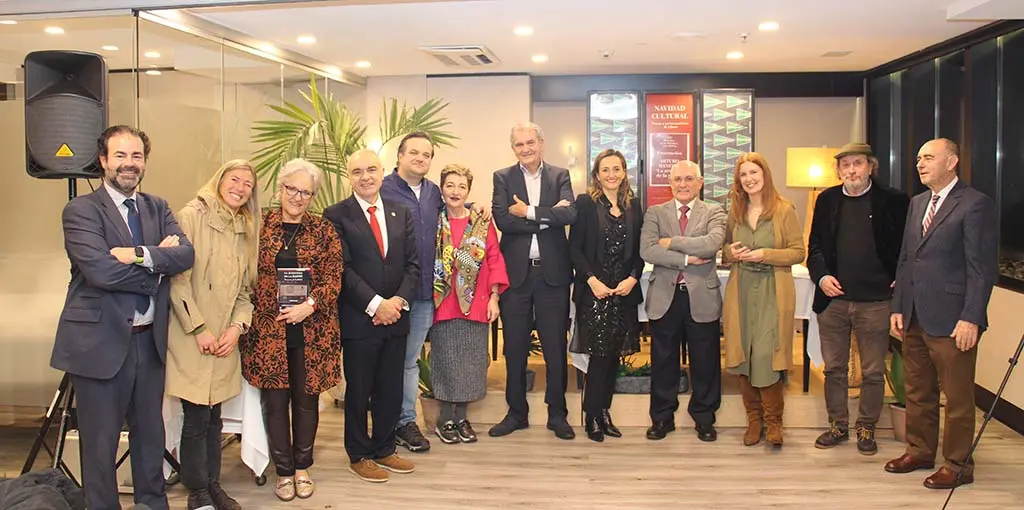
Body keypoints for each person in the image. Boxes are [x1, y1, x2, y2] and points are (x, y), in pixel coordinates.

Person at [49, 125, 194, 510]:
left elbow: (185, 255)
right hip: (98, 345)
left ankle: (152, 505)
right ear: (103, 161)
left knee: (150, 438)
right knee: (100, 445)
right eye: (120, 156)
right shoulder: (80, 210)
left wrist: (138, 255)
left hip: (148, 342)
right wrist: (157, 265)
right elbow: (101, 272)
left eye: (136, 156)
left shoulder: (157, 206)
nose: (129, 164)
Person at [885, 138, 998, 489]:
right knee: (918, 390)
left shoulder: (975, 204)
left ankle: (958, 463)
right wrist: (899, 307)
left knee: (958, 396)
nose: (920, 164)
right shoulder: (919, 203)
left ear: (952, 161)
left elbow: (982, 269)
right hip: (915, 314)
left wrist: (972, 316)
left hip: (953, 318)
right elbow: (907, 259)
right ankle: (919, 450)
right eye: (918, 158)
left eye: (928, 158)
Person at [380, 132, 489, 453]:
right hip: (390, 295)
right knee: (387, 361)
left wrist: (474, 205)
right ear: (399, 155)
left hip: (426, 293)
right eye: (413, 152)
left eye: (426, 154)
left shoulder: (431, 193)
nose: (419, 158)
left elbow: (457, 206)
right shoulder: (383, 189)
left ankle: (405, 422)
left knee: (410, 362)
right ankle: (386, 423)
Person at [241, 159, 343, 501]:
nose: (298, 197)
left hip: (312, 330)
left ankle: (303, 467)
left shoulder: (323, 230)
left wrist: (308, 305)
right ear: (279, 189)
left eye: (306, 192)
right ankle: (283, 471)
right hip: (268, 331)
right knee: (274, 403)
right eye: (292, 189)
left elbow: (333, 278)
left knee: (305, 401)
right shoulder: (258, 226)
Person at [166, 159, 260, 510]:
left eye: (247, 184)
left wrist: (237, 328)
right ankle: (197, 493)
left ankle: (212, 484)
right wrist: (199, 328)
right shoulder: (191, 216)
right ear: (219, 181)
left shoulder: (245, 227)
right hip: (192, 336)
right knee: (196, 418)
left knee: (214, 418)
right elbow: (176, 280)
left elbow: (243, 292)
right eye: (234, 179)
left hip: (225, 339)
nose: (240, 187)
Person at [323, 149, 420, 483]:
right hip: (359, 318)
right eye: (357, 171)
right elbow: (342, 269)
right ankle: (358, 454)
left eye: (371, 170)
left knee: (390, 387)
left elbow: (412, 265)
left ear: (382, 173)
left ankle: (383, 448)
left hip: (396, 317)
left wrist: (397, 303)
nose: (365, 177)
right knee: (360, 389)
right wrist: (376, 304)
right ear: (349, 176)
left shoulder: (400, 211)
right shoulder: (336, 215)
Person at [806, 142, 909, 455]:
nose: (851, 170)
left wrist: (901, 277)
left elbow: (909, 246)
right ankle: (838, 424)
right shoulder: (827, 200)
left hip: (876, 301)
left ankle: (867, 427)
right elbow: (815, 248)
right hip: (834, 302)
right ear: (838, 170)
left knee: (873, 371)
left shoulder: (893, 201)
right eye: (846, 165)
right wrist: (822, 277)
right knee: (834, 369)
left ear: (870, 167)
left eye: (858, 164)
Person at [489, 122, 578, 440]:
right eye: (518, 144)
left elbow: (570, 216)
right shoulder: (503, 177)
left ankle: (558, 414)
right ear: (513, 148)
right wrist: (546, 217)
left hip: (552, 276)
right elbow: (503, 222)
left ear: (542, 143)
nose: (525, 148)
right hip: (516, 277)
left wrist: (527, 212)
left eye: (530, 142)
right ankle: (516, 413)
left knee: (555, 349)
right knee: (514, 349)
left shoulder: (559, 176)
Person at [639, 160, 727, 442]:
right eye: (677, 179)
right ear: (670, 184)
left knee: (705, 361)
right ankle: (662, 418)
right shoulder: (655, 212)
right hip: (666, 297)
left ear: (700, 183)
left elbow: (712, 244)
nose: (683, 184)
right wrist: (688, 257)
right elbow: (647, 250)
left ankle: (704, 418)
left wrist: (670, 242)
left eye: (689, 179)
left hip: (701, 296)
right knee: (663, 361)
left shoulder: (714, 211)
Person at [722, 152, 805, 448]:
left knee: (767, 355)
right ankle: (753, 421)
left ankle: (774, 423)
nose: (749, 179)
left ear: (765, 175)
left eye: (753, 173)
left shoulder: (784, 210)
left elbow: (798, 252)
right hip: (741, 288)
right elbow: (725, 251)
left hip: (773, 288)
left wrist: (764, 255)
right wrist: (734, 253)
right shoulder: (736, 211)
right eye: (743, 175)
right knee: (743, 352)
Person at [429, 164, 508, 444]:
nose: (456, 191)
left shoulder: (481, 223)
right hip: (443, 302)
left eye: (462, 186)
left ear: (469, 191)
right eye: (450, 185)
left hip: (478, 302)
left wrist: (495, 297)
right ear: (441, 189)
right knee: (446, 362)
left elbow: (494, 259)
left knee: (472, 363)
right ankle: (444, 420)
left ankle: (461, 418)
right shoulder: (433, 220)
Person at [568, 149, 644, 442]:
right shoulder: (586, 204)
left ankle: (604, 412)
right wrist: (591, 281)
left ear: (624, 172)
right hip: (596, 293)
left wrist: (633, 278)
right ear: (596, 175)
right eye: (605, 170)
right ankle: (591, 416)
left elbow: (640, 249)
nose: (611, 175)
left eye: (616, 169)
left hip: (622, 293)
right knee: (598, 357)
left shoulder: (634, 206)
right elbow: (574, 248)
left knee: (614, 358)